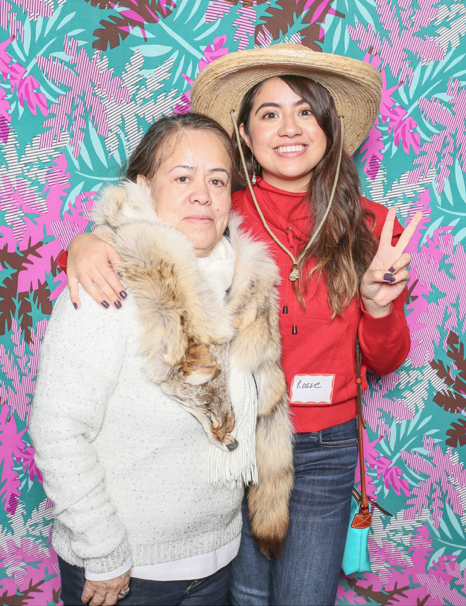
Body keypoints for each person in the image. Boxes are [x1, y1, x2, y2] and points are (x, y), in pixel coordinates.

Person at [58, 45, 423, 606]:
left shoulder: (372, 225)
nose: (289, 128)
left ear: (330, 127)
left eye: (306, 111)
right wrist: (84, 245)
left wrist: (378, 305)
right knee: (245, 595)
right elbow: (144, 238)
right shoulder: (219, 214)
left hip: (326, 446)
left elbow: (384, 360)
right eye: (269, 114)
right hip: (239, 439)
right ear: (245, 138)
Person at [29, 112, 294, 606]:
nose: (203, 193)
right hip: (126, 570)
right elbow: (57, 429)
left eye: (218, 180)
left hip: (216, 562)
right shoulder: (110, 282)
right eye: (182, 177)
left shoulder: (243, 289)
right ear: (143, 186)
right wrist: (103, 553)